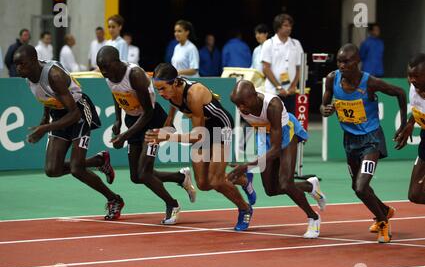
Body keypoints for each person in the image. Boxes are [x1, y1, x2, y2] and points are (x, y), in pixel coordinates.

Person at [13, 45, 124, 221]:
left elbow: (74, 114)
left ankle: (114, 199)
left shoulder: (54, 75)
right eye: (16, 64)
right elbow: (47, 97)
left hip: (78, 110)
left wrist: (44, 128)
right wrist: (44, 118)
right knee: (52, 169)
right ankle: (99, 160)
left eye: (22, 64)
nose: (18, 68)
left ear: (34, 62)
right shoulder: (29, 77)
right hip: (59, 112)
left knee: (77, 169)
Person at [146, 63, 257, 231]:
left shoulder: (194, 94)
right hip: (203, 128)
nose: (160, 93)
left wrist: (168, 136)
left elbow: (199, 135)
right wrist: (164, 129)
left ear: (175, 83)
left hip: (221, 127)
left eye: (162, 89)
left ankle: (244, 208)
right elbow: (172, 112)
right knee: (204, 184)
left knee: (217, 181)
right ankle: (243, 179)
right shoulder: (172, 92)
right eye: (157, 89)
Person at [97, 46, 196, 225]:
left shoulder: (135, 75)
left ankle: (172, 204)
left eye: (105, 67)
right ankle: (180, 177)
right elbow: (116, 94)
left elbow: (148, 113)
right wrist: (118, 120)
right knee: (136, 176)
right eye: (101, 68)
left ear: (116, 62)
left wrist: (125, 136)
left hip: (150, 122)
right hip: (132, 120)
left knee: (144, 173)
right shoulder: (109, 75)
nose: (103, 72)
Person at [320, 44, 407, 243]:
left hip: (371, 140)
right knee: (356, 186)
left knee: (360, 187)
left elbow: (400, 93)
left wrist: (403, 124)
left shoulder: (370, 82)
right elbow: (324, 103)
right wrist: (325, 109)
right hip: (350, 141)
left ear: (357, 61)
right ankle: (384, 209)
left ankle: (383, 222)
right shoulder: (333, 79)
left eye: (346, 61)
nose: (342, 65)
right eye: (339, 61)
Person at [229, 80, 325, 239]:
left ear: (254, 96)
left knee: (286, 183)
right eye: (237, 104)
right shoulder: (243, 105)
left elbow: (275, 149)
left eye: (243, 104)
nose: (241, 108)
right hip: (264, 134)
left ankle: (313, 217)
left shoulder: (273, 105)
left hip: (286, 133)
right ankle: (310, 185)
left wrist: (246, 166)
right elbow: (259, 126)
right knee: (271, 190)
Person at [395, 53, 425, 205]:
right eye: (409, 75)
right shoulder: (414, 86)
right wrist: (410, 123)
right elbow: (418, 106)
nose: (412, 80)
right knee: (415, 195)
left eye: (417, 76)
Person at [261, 14, 303, 114]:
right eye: (286, 25)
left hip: (290, 92)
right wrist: (279, 87)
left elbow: (299, 68)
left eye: (290, 26)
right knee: (272, 122)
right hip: (272, 92)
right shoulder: (269, 43)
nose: (289, 28)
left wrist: (293, 86)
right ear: (278, 27)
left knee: (289, 121)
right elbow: (266, 68)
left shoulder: (296, 44)